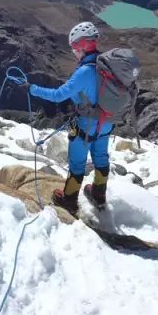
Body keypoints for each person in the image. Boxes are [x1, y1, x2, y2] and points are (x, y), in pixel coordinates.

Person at [23, 22, 112, 214]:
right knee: (101, 157)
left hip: (86, 125)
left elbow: (57, 95)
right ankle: (99, 194)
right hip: (107, 122)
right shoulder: (106, 64)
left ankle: (69, 200)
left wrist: (32, 89)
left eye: (74, 48)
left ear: (81, 45)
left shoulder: (84, 72)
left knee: (77, 163)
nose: (73, 52)